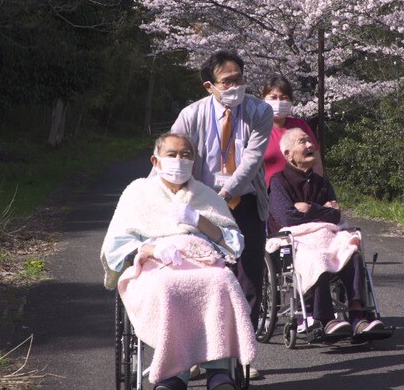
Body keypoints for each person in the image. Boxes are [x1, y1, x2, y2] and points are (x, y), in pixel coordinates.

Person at [100, 133, 256, 390]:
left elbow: (235, 244)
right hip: (156, 266)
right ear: (156, 160)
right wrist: (151, 248)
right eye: (172, 154)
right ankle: (174, 373)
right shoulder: (137, 192)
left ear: (194, 162)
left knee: (223, 281)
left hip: (202, 262)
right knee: (168, 288)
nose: (179, 160)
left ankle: (218, 371)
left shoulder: (207, 196)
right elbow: (115, 245)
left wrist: (199, 220)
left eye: (186, 155)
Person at [170, 50, 271, 379]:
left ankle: (243, 355)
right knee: (201, 277)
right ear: (209, 86)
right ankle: (200, 351)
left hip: (245, 203)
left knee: (248, 279)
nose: (236, 86)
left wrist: (226, 192)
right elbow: (174, 155)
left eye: (239, 78)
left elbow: (253, 159)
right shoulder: (191, 115)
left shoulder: (259, 110)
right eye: (228, 81)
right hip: (201, 207)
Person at [268, 127, 387, 339]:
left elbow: (335, 216)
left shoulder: (322, 183)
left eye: (309, 141)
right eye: (302, 142)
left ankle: (358, 316)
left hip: (328, 236)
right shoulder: (278, 182)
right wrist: (323, 210)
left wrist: (309, 208)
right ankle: (326, 320)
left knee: (353, 254)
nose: (309, 145)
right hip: (299, 241)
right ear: (288, 154)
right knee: (317, 258)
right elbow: (287, 217)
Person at [261, 76, 323, 186]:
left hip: (300, 192)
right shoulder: (256, 128)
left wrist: (317, 188)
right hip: (266, 195)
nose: (278, 102)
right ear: (263, 99)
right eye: (273, 97)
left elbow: (316, 161)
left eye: (284, 98)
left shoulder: (300, 126)